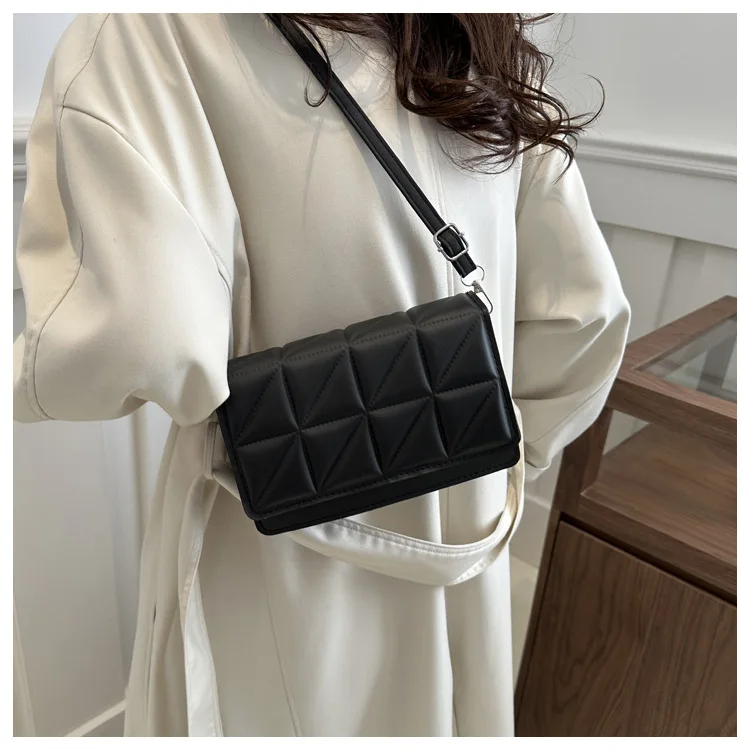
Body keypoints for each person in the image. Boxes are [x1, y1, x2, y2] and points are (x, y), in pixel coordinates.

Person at [13, 13, 630, 737]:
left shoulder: (149, 30)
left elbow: (137, 340)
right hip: (467, 520)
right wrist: (482, 454)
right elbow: (583, 321)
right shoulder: (482, 37)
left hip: (269, 539)